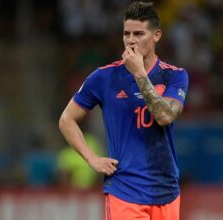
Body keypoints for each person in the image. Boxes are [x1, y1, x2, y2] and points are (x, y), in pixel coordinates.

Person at [59, 2, 188, 220]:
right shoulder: (103, 77)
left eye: (138, 34)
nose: (130, 40)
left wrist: (139, 74)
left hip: (166, 190)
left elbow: (165, 116)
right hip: (125, 191)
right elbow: (66, 119)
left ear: (156, 35)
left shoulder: (174, 76)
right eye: (126, 34)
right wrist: (91, 159)